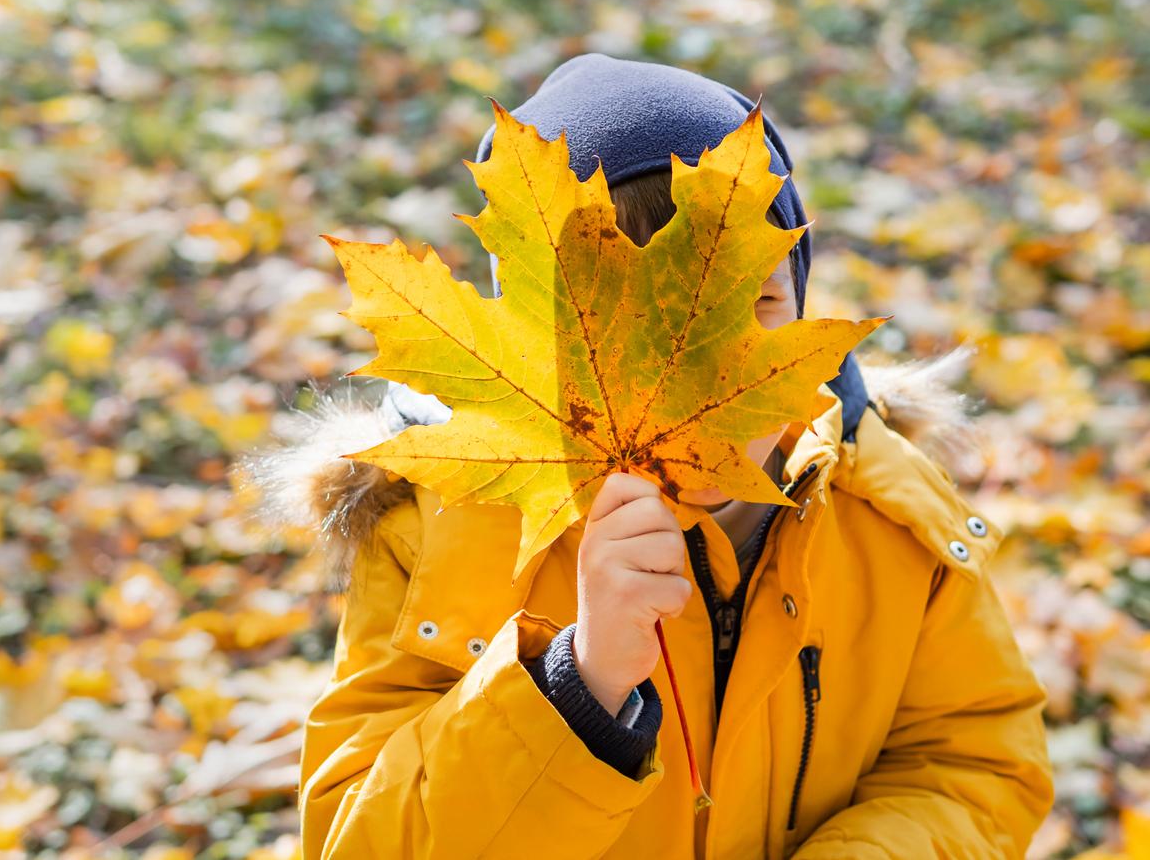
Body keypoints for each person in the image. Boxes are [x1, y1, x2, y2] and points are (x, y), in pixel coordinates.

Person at [262, 53, 1053, 858]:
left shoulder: (885, 510)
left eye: (753, 304)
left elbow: (974, 762)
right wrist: (577, 681)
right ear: (540, 353)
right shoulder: (438, 528)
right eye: (614, 321)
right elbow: (356, 840)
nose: (690, 369)